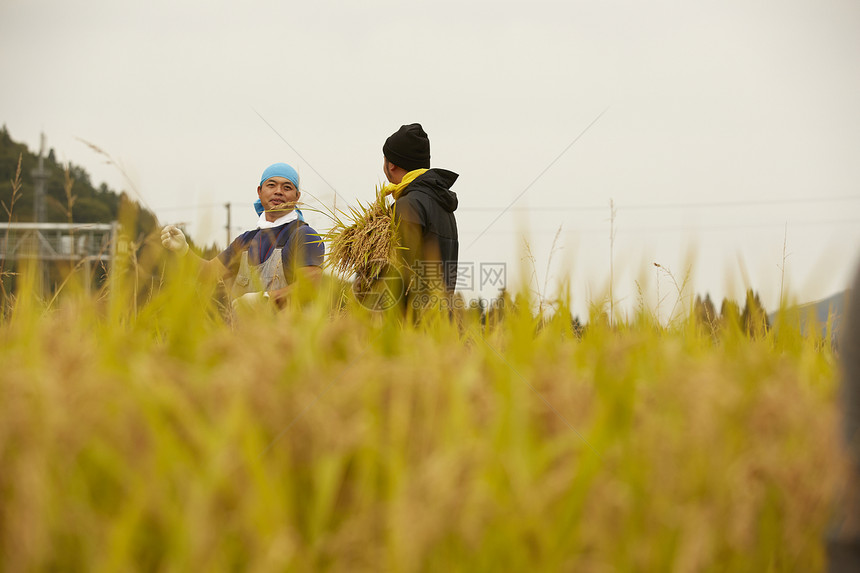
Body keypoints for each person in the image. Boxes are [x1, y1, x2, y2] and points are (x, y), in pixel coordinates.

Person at [160, 162, 324, 309]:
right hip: (244, 340)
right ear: (259, 191)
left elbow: (309, 286)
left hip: (289, 340)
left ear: (297, 197)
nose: (279, 192)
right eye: (271, 185)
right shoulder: (246, 241)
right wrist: (183, 250)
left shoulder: (304, 236)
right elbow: (208, 274)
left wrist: (265, 299)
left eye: (287, 187)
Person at [380, 123, 459, 309]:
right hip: (437, 325)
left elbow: (399, 274)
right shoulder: (443, 205)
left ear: (391, 164)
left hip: (409, 326)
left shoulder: (408, 206)